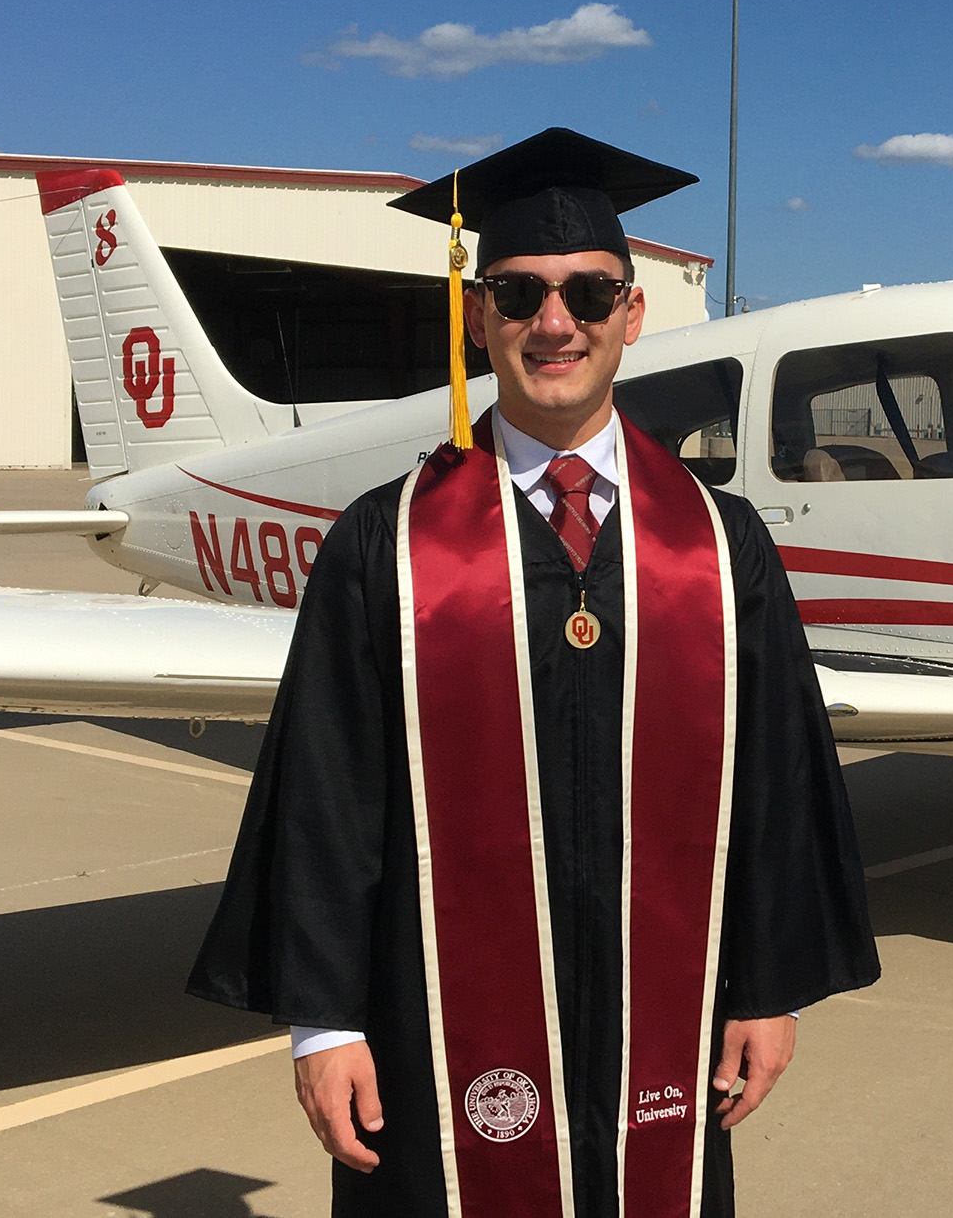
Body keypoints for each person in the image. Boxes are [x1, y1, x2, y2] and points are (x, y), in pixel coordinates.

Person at [188, 128, 880, 1218]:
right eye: (517, 294)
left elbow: (775, 782)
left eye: (588, 295)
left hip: (667, 1014)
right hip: (433, 1026)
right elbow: (328, 793)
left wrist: (766, 985)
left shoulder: (717, 541)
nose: (554, 323)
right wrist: (325, 1023)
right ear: (478, 316)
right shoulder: (390, 543)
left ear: (632, 314)